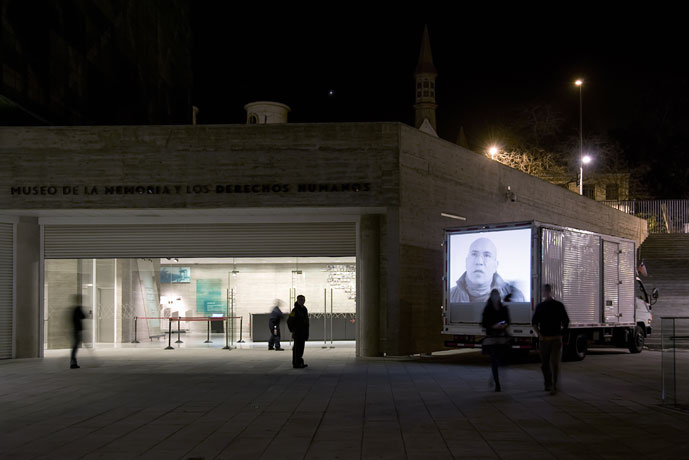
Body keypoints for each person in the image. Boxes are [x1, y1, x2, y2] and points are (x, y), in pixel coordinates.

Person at [450, 237, 525, 303]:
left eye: (487, 255)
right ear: (466, 262)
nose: (479, 261)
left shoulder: (516, 297)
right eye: (474, 254)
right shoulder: (450, 295)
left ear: (495, 266)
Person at [532, 284, 570, 395]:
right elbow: (534, 322)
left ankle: (554, 385)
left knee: (554, 363)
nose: (546, 293)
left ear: (550, 292)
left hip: (554, 339)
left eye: (547, 291)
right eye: (545, 291)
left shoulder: (558, 305)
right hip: (545, 339)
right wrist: (539, 335)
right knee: (545, 364)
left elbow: (566, 322)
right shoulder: (541, 306)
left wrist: (561, 334)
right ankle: (548, 384)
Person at [481, 289, 510, 392]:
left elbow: (508, 321)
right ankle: (497, 384)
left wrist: (504, 325)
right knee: (494, 360)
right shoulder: (488, 309)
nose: (496, 298)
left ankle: (493, 378)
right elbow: (484, 323)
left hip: (501, 337)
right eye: (494, 296)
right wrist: (493, 326)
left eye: (497, 296)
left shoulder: (503, 308)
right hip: (492, 337)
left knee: (499, 360)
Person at [287, 294, 309, 368]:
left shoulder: (304, 309)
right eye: (300, 300)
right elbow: (289, 321)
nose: (302, 301)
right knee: (296, 348)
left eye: (303, 300)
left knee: (301, 348)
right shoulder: (294, 310)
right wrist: (293, 330)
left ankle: (300, 362)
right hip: (297, 332)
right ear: (297, 300)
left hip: (303, 332)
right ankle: (296, 363)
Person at [70, 295, 86, 369]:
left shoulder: (74, 309)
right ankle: (73, 362)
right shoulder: (78, 308)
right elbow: (83, 316)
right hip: (77, 330)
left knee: (75, 346)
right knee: (75, 347)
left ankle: (73, 362)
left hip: (75, 330)